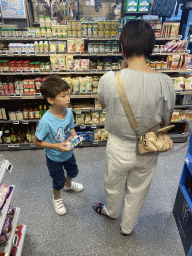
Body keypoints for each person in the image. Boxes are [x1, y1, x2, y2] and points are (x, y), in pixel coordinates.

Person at [93, 20, 176, 235]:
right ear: (151, 47)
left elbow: (104, 105)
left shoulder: (109, 79)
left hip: (118, 146)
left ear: (122, 47)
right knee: (138, 190)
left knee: (113, 184)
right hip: (148, 146)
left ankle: (111, 211)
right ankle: (127, 227)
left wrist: (123, 69)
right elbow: (167, 121)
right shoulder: (166, 82)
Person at [33, 75, 83, 216]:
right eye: (63, 96)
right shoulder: (46, 121)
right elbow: (37, 142)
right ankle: (57, 198)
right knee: (58, 179)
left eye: (68, 94)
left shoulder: (68, 113)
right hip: (54, 156)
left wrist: (75, 137)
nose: (68, 98)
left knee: (73, 171)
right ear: (50, 100)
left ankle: (68, 185)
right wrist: (57, 147)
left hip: (68, 152)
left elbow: (71, 127)